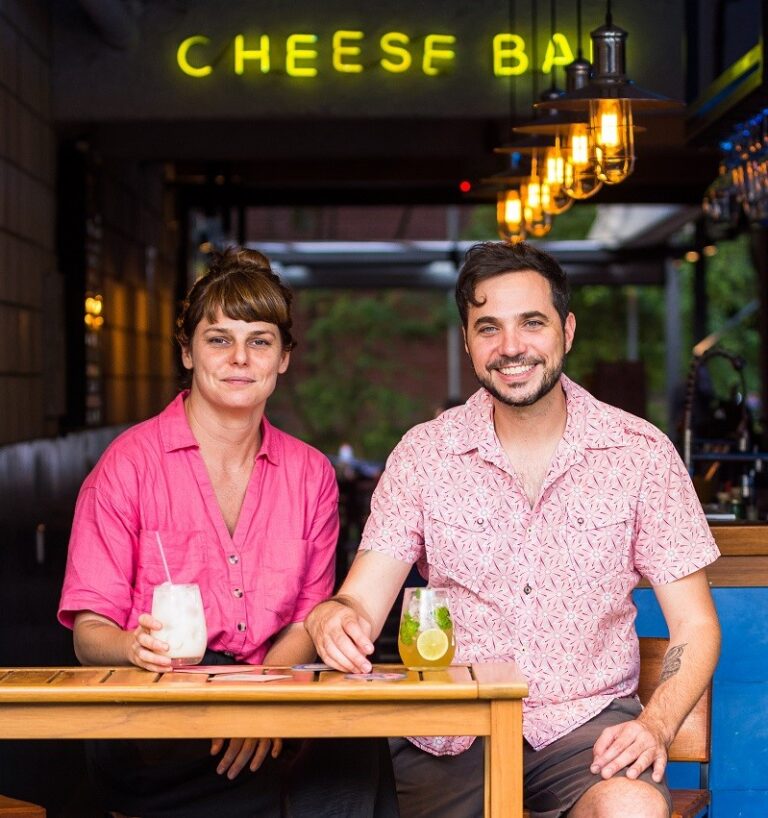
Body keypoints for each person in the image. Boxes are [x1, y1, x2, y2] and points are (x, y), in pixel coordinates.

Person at [305, 241, 721, 818]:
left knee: (631, 807)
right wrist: (335, 615)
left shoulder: (640, 453)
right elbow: (360, 602)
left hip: (585, 733)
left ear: (567, 330)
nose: (511, 348)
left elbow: (696, 624)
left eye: (532, 323)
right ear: (468, 341)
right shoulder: (425, 454)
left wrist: (656, 723)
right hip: (450, 734)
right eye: (488, 328)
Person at [58, 248, 399, 818]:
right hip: (158, 712)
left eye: (260, 340)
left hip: (273, 695)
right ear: (187, 351)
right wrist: (131, 646)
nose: (240, 358)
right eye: (219, 339)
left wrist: (260, 702)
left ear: (284, 358)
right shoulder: (128, 465)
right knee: (294, 783)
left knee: (354, 748)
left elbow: (305, 622)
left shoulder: (310, 473)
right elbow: (87, 631)